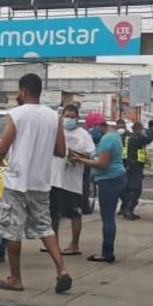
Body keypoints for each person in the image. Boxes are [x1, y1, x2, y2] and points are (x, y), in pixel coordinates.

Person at [0, 73, 72, 294]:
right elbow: (61, 151)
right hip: (41, 183)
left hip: (17, 181)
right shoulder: (52, 117)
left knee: (12, 231)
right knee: (45, 228)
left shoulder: (17, 114)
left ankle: (15, 279)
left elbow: (2, 148)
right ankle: (62, 270)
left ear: (23, 91)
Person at [74, 120, 127, 263]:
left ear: (102, 125)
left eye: (94, 127)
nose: (93, 130)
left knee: (108, 218)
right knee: (108, 217)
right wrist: (84, 155)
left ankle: (107, 252)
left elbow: (102, 164)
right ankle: (107, 251)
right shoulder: (115, 136)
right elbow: (98, 156)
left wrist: (80, 161)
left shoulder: (106, 139)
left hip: (110, 180)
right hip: (117, 178)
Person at [48, 103, 94, 257]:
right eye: (66, 116)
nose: (69, 119)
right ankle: (53, 243)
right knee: (53, 213)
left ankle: (74, 244)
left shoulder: (83, 134)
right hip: (54, 179)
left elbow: (90, 154)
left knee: (74, 214)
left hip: (72, 181)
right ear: (61, 117)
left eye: (72, 117)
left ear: (77, 118)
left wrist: (77, 156)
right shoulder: (55, 131)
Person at [119, 119, 153, 220]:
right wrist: (151, 128)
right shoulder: (137, 138)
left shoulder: (127, 138)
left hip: (127, 165)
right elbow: (149, 138)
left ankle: (125, 208)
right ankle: (128, 210)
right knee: (135, 190)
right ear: (139, 129)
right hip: (134, 166)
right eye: (142, 130)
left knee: (128, 188)